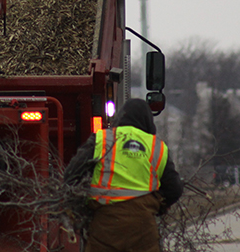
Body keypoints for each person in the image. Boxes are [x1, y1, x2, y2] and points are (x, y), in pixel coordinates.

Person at [64, 98, 184, 252]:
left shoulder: (102, 139)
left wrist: (81, 208)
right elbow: (174, 189)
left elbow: (71, 175)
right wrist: (158, 206)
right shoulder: (156, 146)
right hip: (143, 229)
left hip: (106, 227)